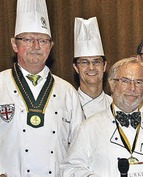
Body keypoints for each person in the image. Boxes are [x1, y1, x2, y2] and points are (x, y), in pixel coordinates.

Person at [0, 0, 84, 176]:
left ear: (51, 47)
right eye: (29, 39)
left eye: (43, 41)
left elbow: (80, 148)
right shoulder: (1, 84)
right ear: (14, 44)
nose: (36, 47)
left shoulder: (67, 92)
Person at [61, 57, 143, 177]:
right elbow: (70, 169)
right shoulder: (88, 128)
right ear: (112, 84)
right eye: (125, 81)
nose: (132, 88)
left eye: (138, 82)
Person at [73, 17, 112, 118]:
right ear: (76, 68)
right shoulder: (69, 105)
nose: (91, 67)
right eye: (84, 62)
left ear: (104, 66)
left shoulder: (114, 105)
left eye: (97, 62)